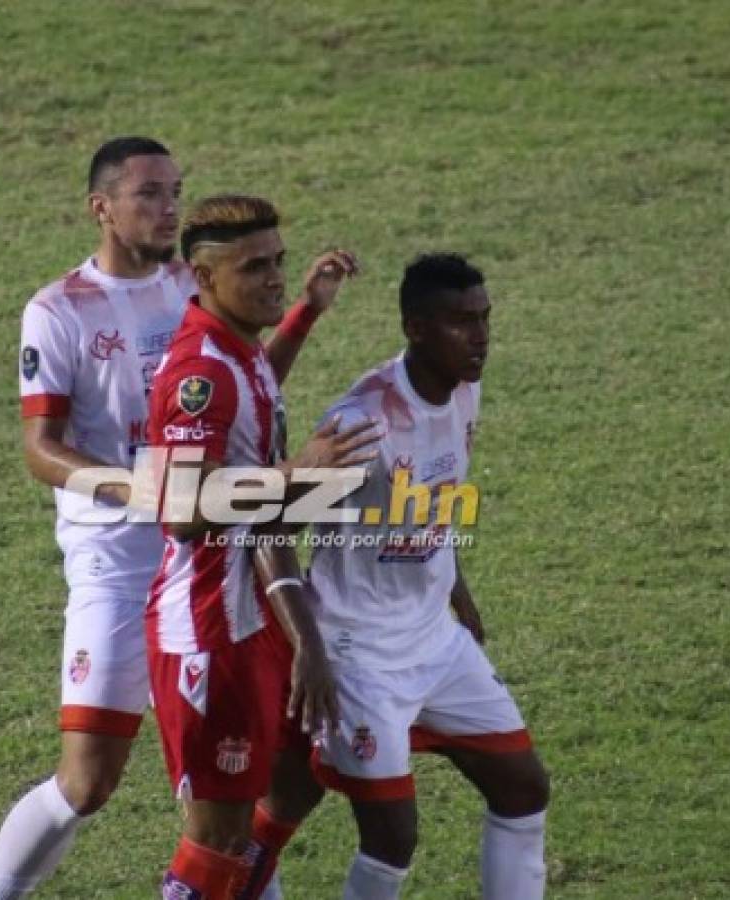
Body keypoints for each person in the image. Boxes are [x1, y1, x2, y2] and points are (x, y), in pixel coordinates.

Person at [0, 141, 363, 899]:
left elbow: (239, 394)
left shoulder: (194, 284)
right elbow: (40, 448)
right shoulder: (59, 310)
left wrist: (302, 317)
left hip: (210, 561)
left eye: (175, 192)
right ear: (103, 208)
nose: (168, 208)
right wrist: (143, 489)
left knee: (235, 792)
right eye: (150, 194)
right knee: (88, 782)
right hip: (117, 564)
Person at [237, 253, 551, 900]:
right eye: (462, 323)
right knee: (392, 836)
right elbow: (267, 530)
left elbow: (437, 493)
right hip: (357, 654)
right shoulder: (364, 425)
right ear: (415, 328)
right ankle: (230, 868)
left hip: (434, 640)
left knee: (523, 786)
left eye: (485, 318)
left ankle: (244, 858)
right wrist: (311, 648)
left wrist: (457, 590)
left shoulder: (465, 388)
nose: (481, 336)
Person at [146, 195, 379, 899]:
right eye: (255, 268)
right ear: (203, 277)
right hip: (212, 625)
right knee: (214, 839)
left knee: (299, 777)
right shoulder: (199, 373)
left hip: (258, 606)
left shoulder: (236, 352)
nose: (274, 276)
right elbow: (182, 509)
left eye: (278, 260)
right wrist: (296, 474)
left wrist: (306, 311)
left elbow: (250, 399)